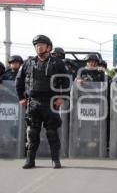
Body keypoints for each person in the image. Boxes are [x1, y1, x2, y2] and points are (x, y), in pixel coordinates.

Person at [16, 35, 69, 169]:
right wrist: (21, 98)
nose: (38, 47)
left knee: (51, 132)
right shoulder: (28, 63)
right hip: (33, 102)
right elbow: (19, 81)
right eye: (36, 45)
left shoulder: (57, 63)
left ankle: (55, 160)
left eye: (41, 44)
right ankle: (30, 160)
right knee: (32, 133)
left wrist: (63, 97)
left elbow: (66, 81)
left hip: (50, 102)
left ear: (48, 47)